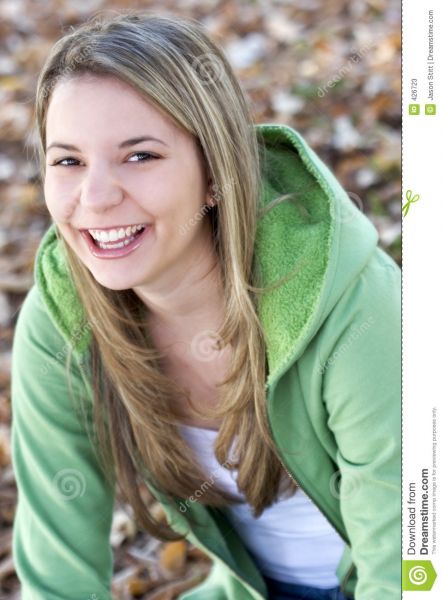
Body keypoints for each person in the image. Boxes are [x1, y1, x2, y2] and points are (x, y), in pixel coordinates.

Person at [10, 10, 401, 600]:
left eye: (140, 156)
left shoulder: (354, 304)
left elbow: (408, 567)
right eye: (68, 160)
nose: (95, 196)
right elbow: (57, 575)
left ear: (216, 172)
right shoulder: (62, 319)